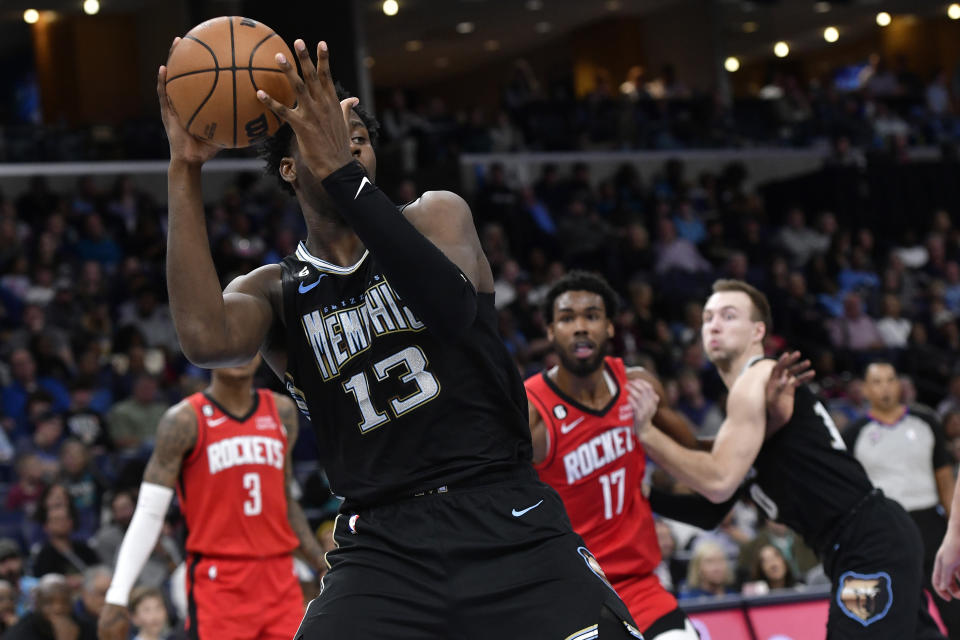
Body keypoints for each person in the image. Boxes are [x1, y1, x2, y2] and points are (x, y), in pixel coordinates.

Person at [155, 36, 643, 639]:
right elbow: (204, 339)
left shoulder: (436, 216)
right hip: (384, 549)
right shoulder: (275, 291)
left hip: (503, 514)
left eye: (355, 136)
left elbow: (449, 309)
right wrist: (184, 166)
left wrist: (336, 168)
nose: (346, 143)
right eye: (323, 134)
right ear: (287, 167)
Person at [633, 279, 945, 637]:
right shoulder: (749, 418)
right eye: (707, 318)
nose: (714, 324)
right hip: (865, 540)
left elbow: (717, 481)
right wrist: (643, 496)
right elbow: (710, 510)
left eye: (728, 315)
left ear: (758, 331)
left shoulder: (759, 377)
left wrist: (645, 432)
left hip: (867, 540)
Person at [525, 271, 700, 638]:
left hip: (642, 585)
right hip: (575, 589)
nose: (580, 327)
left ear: (609, 328)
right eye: (567, 318)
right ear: (551, 332)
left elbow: (690, 451)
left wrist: (649, 427)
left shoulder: (637, 385)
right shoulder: (533, 408)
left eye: (591, 316)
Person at [97, 356, 314, 640]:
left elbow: (285, 500)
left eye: (247, 343)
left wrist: (322, 562)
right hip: (219, 580)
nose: (238, 351)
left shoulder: (281, 411)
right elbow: (150, 513)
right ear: (208, 348)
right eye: (227, 343)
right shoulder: (184, 420)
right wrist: (117, 595)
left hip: (278, 576)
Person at [845, 361, 960, 633]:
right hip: (885, 531)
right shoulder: (854, 433)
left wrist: (955, 527)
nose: (885, 387)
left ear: (900, 384)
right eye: (877, 381)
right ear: (865, 389)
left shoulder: (926, 421)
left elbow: (945, 481)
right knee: (897, 613)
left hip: (931, 524)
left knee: (954, 606)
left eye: (890, 380)